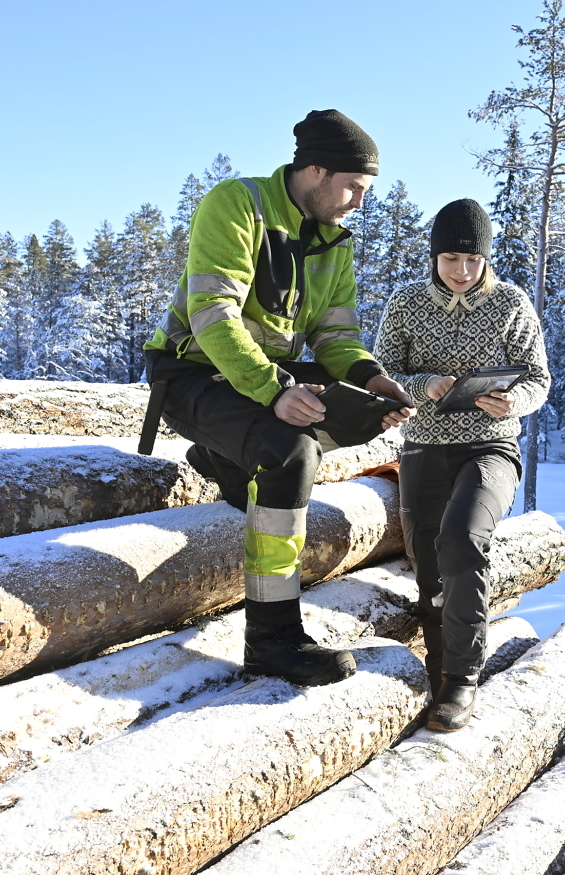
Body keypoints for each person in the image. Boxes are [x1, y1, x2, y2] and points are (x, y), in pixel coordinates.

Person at [143, 109, 413, 687]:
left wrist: (371, 380)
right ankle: (273, 639)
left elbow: (336, 336)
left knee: (360, 418)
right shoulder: (236, 204)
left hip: (269, 373)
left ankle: (227, 456)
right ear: (315, 171)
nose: (359, 202)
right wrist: (275, 392)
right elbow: (212, 317)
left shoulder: (334, 242)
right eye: (353, 188)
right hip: (192, 371)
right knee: (292, 452)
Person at [373, 199, 551, 730]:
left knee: (462, 538)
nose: (462, 270)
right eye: (451, 258)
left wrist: (511, 402)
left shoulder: (511, 304)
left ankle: (462, 680)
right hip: (423, 448)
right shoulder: (405, 304)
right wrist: (419, 386)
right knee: (428, 564)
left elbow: (537, 380)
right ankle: (435, 675)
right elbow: (380, 376)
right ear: (434, 256)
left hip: (490, 448)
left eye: (473, 260)